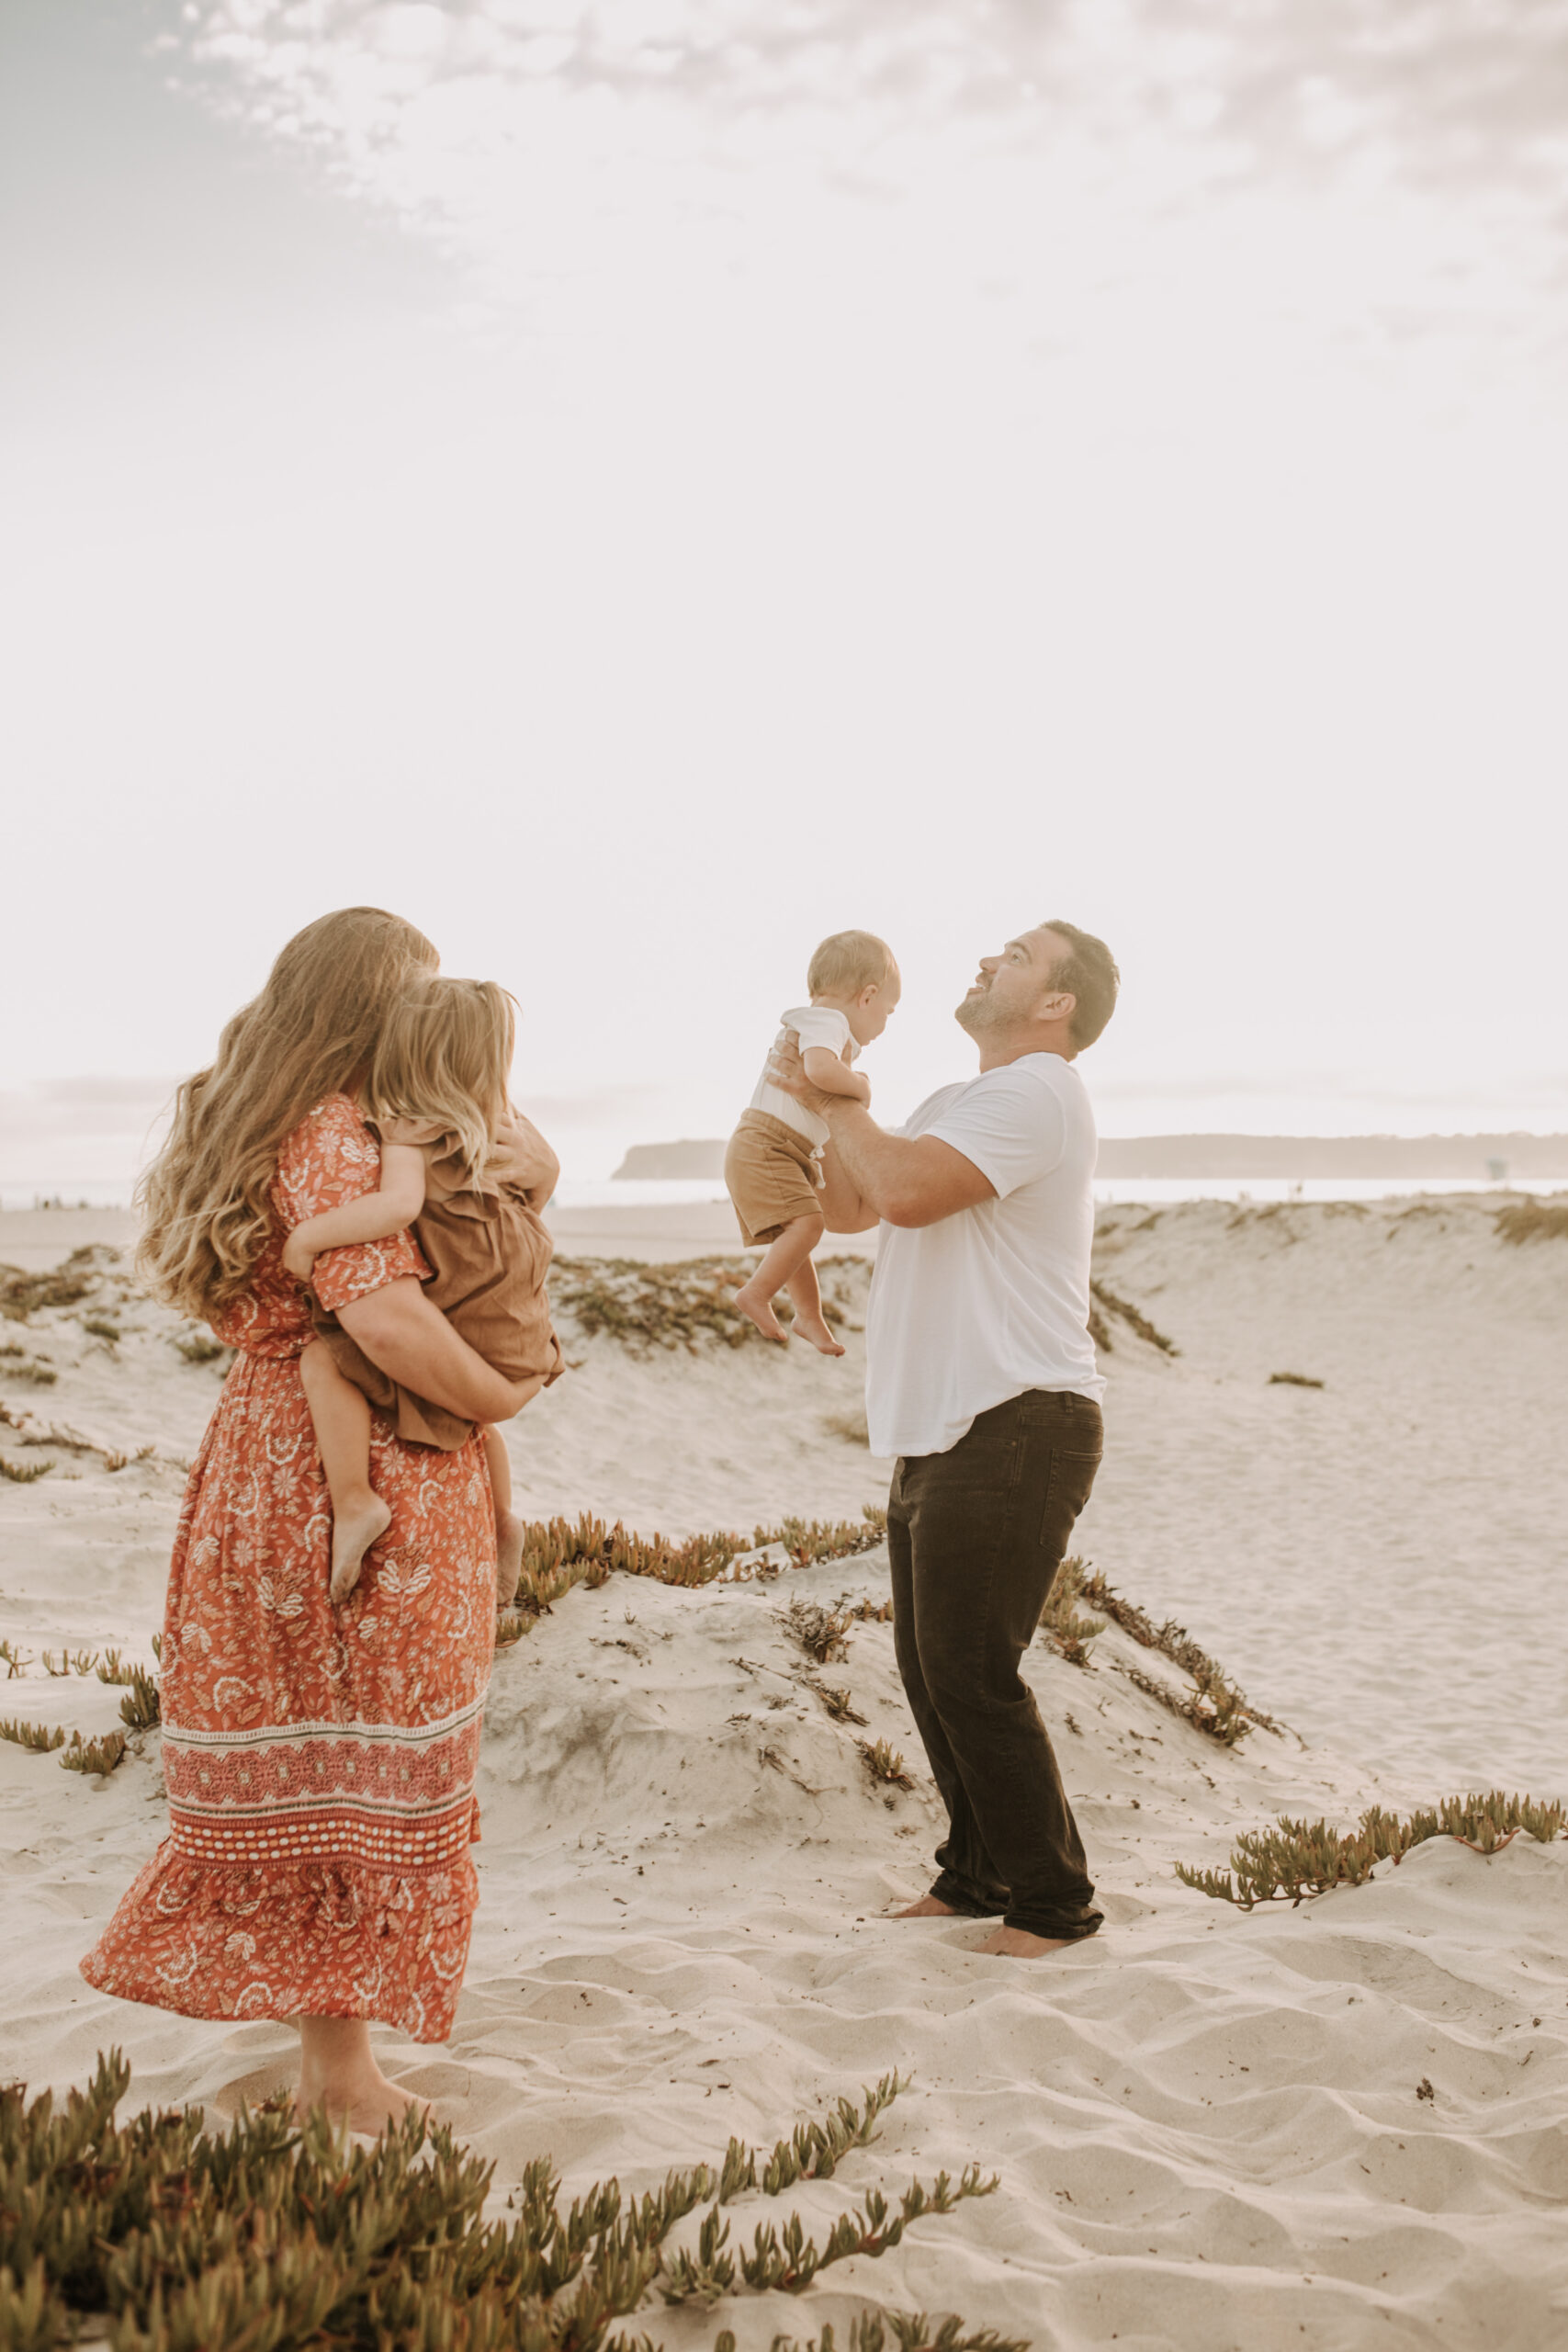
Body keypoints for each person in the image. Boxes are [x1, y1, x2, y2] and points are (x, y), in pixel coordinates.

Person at [80, 908, 538, 2131]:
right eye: (413, 997)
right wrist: (497, 1398)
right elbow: (381, 1321)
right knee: (354, 1752)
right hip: (358, 1453)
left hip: (263, 1447)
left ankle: (333, 2057)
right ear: (370, 1004)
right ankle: (338, 2078)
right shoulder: (340, 1134)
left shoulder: (259, 1113)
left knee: (329, 1747)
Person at [771, 918, 1119, 1958]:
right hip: (946, 1421)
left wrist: (843, 1099)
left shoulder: (1040, 1090)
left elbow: (911, 1193)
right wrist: (805, 1095)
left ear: (1056, 1003)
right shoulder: (948, 1102)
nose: (985, 960)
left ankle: (1055, 1905)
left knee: (973, 1669)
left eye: (1015, 955)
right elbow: (849, 1200)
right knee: (932, 1669)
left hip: (1020, 1413)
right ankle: (974, 1876)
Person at [281, 974, 562, 1609]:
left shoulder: (409, 1124)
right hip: (518, 1317)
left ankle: (355, 1501)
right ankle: (504, 1517)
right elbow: (531, 1201)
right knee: (476, 1422)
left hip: (478, 1301)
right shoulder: (502, 1123)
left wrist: (308, 1239)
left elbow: (397, 1205)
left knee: (323, 1359)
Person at [726, 930, 900, 1353]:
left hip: (779, 1146)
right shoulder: (828, 1022)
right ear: (867, 996)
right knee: (809, 1226)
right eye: (888, 1012)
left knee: (798, 1231)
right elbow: (820, 1072)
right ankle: (756, 1293)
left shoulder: (819, 1022)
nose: (883, 1025)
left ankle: (809, 1316)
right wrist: (861, 1086)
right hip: (769, 1144)